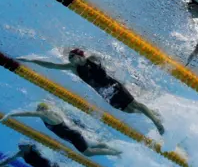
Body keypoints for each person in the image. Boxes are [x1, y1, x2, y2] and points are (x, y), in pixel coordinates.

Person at [17, 51, 165, 135]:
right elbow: (51, 65)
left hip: (114, 85)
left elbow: (106, 60)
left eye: (72, 57)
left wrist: (116, 71)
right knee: (128, 110)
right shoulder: (73, 68)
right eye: (70, 59)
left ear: (80, 55)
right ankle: (153, 113)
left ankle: (156, 121)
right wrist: (31, 60)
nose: (70, 60)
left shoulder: (92, 58)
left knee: (136, 105)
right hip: (105, 94)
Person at [2, 102, 122, 157]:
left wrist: (11, 114)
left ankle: (115, 152)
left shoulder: (46, 114)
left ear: (42, 109)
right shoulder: (48, 115)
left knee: (88, 153)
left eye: (38, 109)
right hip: (72, 135)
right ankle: (113, 147)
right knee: (93, 145)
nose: (37, 111)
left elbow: (28, 113)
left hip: (73, 135)